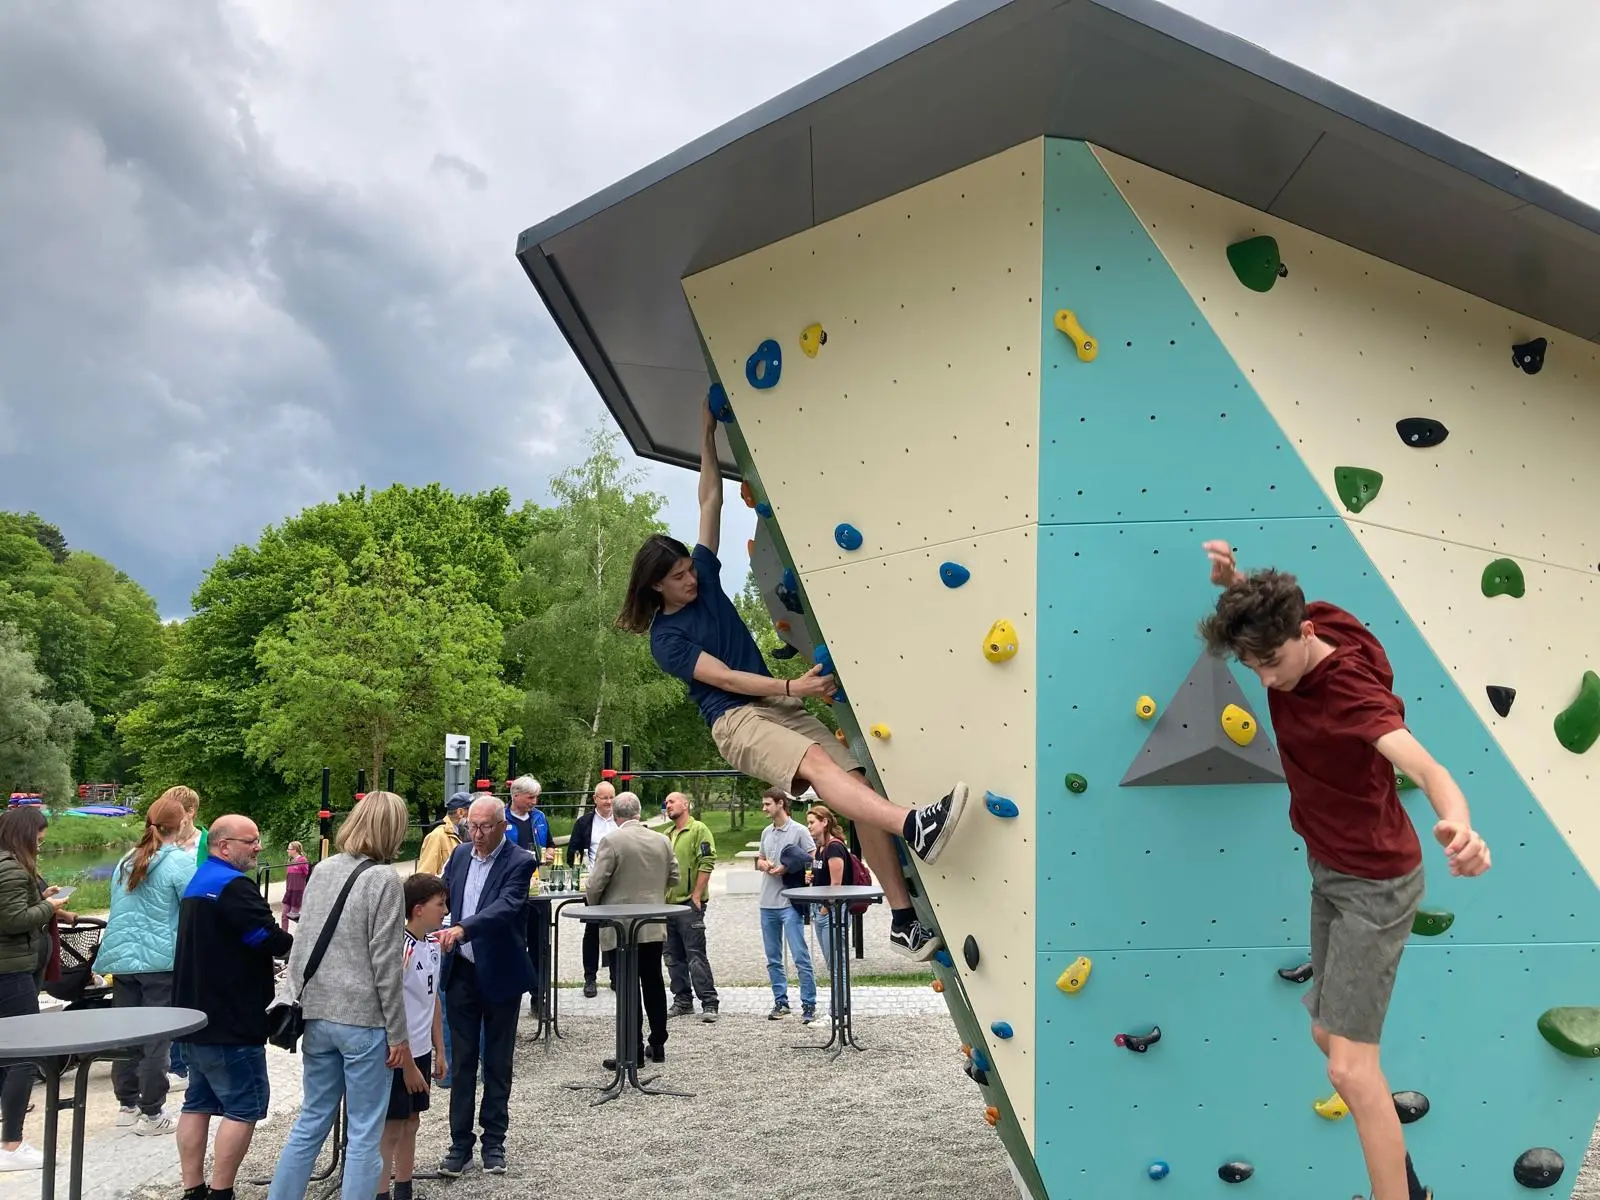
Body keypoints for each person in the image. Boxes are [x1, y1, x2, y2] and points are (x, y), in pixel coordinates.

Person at [617, 401, 966, 961]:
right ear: (656, 587)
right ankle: (913, 826)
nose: (691, 579)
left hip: (774, 704)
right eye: (678, 578)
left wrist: (706, 431)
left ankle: (903, 920)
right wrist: (793, 688)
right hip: (737, 719)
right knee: (823, 769)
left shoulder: (703, 576)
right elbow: (727, 678)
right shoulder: (667, 639)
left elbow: (710, 498)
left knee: (857, 787)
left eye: (688, 569)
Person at [1197, 540, 1489, 1200]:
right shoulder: (1314, 618)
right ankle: (1408, 1187)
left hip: (1375, 884)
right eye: (1251, 665)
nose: (1266, 680)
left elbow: (1428, 768)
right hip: (1330, 866)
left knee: (1353, 1072)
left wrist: (1461, 825)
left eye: (1271, 663)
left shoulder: (1353, 697)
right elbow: (1269, 616)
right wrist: (1234, 582)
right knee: (1327, 1032)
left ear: (1305, 636)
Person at [266, 790, 411, 1200]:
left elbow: (304, 940)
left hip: (317, 1012)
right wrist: (399, 1034)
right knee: (365, 1132)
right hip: (363, 1019)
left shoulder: (323, 869)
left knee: (311, 1120)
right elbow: (386, 964)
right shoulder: (384, 880)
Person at [173, 814, 294, 1200]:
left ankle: (193, 1188)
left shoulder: (199, 881)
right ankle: (221, 1191)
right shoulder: (234, 886)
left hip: (193, 1015)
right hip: (231, 1017)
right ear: (224, 846)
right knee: (244, 1106)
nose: (258, 847)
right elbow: (268, 939)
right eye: (251, 841)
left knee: (198, 1101)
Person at [435, 796, 536, 1177]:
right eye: (471, 827)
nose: (476, 834)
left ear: (502, 825)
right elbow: (442, 894)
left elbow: (507, 906)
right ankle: (460, 1144)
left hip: (501, 973)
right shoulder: (460, 855)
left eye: (485, 827)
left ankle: (494, 1141)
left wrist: (463, 928)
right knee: (461, 1062)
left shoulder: (520, 860)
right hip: (461, 972)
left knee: (497, 1061)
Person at [96, 794, 198, 1136]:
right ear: (182, 823)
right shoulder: (179, 862)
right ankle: (153, 1112)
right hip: (159, 962)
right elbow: (194, 909)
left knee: (127, 1033)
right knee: (157, 1038)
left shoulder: (127, 859)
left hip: (122, 960)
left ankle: (127, 1104)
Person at [584, 792, 678, 1064]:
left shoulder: (611, 841)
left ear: (615, 815)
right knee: (653, 980)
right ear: (639, 812)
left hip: (621, 926)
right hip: (652, 922)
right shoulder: (662, 840)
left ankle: (632, 1049)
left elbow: (595, 884)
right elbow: (674, 876)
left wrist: (594, 903)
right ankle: (658, 1043)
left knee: (627, 987)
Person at [0, 807, 70, 1172]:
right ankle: (11, 1144)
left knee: (4, 1053)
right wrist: (48, 906)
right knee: (25, 1056)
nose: (40, 847)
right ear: (24, 835)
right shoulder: (11, 867)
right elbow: (12, 920)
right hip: (10, 972)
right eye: (38, 840)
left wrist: (42, 899)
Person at [379, 873, 448, 1200]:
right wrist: (406, 1062)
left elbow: (432, 999)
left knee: (412, 1120)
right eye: (440, 904)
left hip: (421, 1049)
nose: (445, 910)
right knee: (391, 1126)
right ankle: (380, 1191)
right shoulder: (400, 948)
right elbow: (389, 1003)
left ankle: (404, 1186)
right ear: (418, 909)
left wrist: (440, 1049)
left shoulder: (433, 946)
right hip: (398, 1053)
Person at [662, 791, 718, 1022]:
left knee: (695, 954)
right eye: (666, 803)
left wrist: (696, 895)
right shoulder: (667, 834)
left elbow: (707, 861)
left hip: (688, 904)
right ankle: (683, 1001)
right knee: (672, 956)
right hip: (667, 906)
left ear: (686, 804)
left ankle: (709, 1002)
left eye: (672, 801)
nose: (668, 805)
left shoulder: (699, 830)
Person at [565, 781, 619, 996]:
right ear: (595, 799)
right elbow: (572, 853)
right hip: (594, 882)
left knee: (618, 928)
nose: (608, 802)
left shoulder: (622, 819)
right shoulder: (584, 822)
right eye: (604, 797)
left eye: (611, 797)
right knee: (592, 930)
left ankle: (617, 976)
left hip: (619, 883)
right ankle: (590, 978)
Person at [505, 775, 553, 1017]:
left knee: (539, 946)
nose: (534, 801)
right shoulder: (502, 818)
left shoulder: (540, 818)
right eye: (530, 797)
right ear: (515, 796)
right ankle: (510, 996)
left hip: (538, 891)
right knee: (512, 944)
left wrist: (550, 854)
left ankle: (539, 996)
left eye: (536, 797)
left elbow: (551, 844)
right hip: (510, 891)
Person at [804, 803, 852, 975]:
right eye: (808, 823)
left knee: (838, 963)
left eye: (812, 822)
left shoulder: (834, 847)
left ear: (824, 822)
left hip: (833, 910)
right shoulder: (820, 849)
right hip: (818, 909)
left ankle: (841, 1002)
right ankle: (836, 1001)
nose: (808, 826)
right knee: (831, 963)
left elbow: (836, 884)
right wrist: (812, 878)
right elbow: (823, 877)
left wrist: (825, 908)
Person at [417, 793, 470, 877]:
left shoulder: (463, 834)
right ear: (460, 812)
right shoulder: (437, 835)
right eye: (472, 811)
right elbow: (424, 876)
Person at [279, 841, 309, 931]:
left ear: (295, 850)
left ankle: (303, 934)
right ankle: (284, 936)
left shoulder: (302, 860)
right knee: (284, 915)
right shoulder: (290, 861)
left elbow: (307, 873)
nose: (287, 850)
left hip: (298, 892)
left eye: (289, 848)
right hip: (289, 891)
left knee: (294, 916)